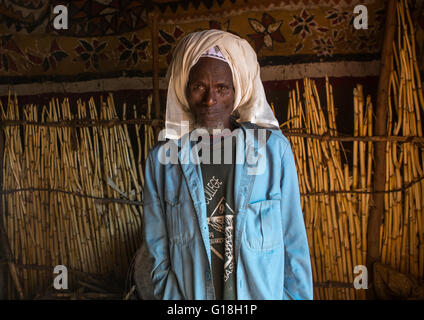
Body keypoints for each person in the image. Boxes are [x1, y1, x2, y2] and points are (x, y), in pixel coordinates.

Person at [135, 29, 313, 300]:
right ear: (185, 89)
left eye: (222, 88)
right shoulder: (162, 162)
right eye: (199, 87)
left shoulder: (273, 152)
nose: (210, 100)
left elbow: (294, 245)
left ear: (237, 91)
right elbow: (157, 252)